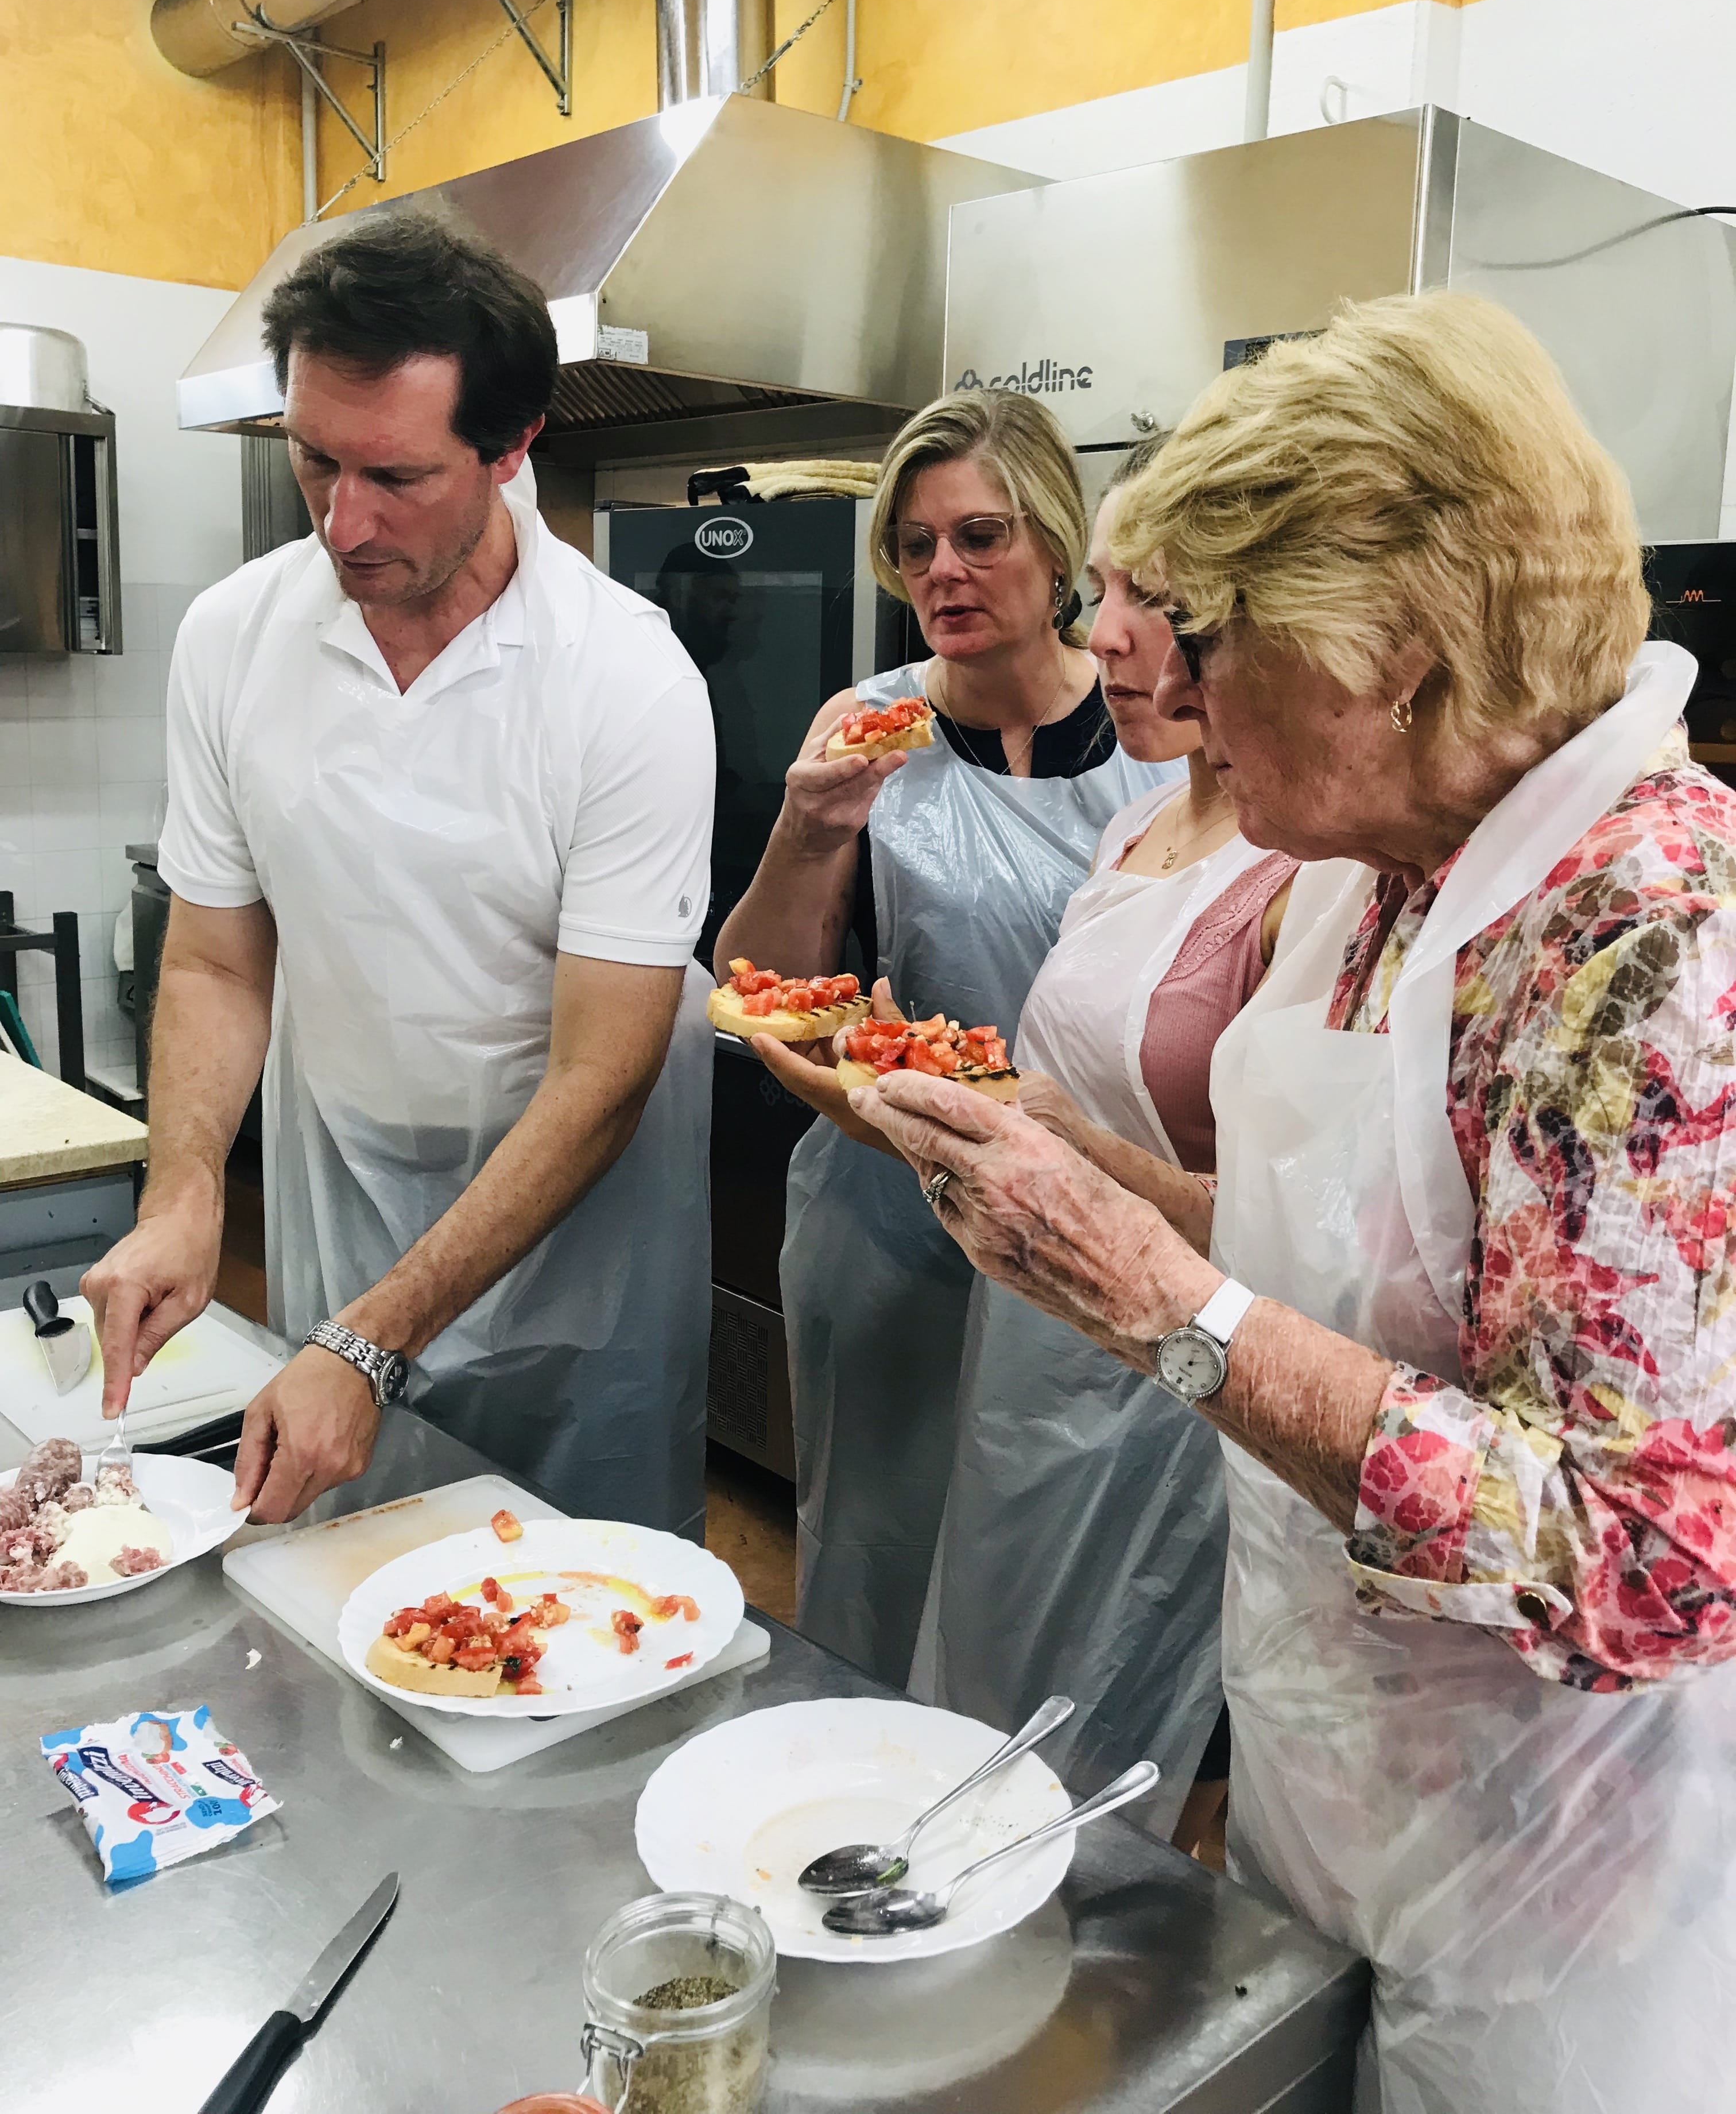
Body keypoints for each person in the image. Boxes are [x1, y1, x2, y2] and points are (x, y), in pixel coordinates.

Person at [853, 292, 1736, 2112]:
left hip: (1550, 1863)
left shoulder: (1645, 944)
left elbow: (1642, 1560)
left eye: (1201, 631)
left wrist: (1154, 1312)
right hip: (1332, 1758)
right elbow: (1334, 1242)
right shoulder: (1369, 856)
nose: (1149, 678)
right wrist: (1064, 1171)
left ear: (1391, 652)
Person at [82, 211, 718, 1532]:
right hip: (349, 1181)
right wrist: (183, 1189)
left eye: (396, 476)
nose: (343, 522)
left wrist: (375, 1342)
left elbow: (604, 1074)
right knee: (348, 1572)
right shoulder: (235, 638)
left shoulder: (626, 676)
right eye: (316, 463)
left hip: (579, 1227)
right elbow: (213, 956)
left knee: (573, 1601)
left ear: (511, 449)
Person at [714, 390, 1177, 1680]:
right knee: (879, 1536)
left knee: (1064, 1569)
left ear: (1055, 545)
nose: (944, 571)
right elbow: (768, 986)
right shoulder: (872, 730)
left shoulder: (1162, 737)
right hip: (891, 1205)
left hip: (1103, 1205)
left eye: (980, 535)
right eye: (916, 547)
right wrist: (810, 831)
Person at [909, 436, 1296, 1849]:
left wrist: (1071, 1154)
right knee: (990, 1680)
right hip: (1029, 1330)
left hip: (1174, 1363)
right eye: (1111, 588)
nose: (1109, 633)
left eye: (1157, 602)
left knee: (1128, 1731)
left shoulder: (1307, 862)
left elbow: (1292, 1221)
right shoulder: (1140, 819)